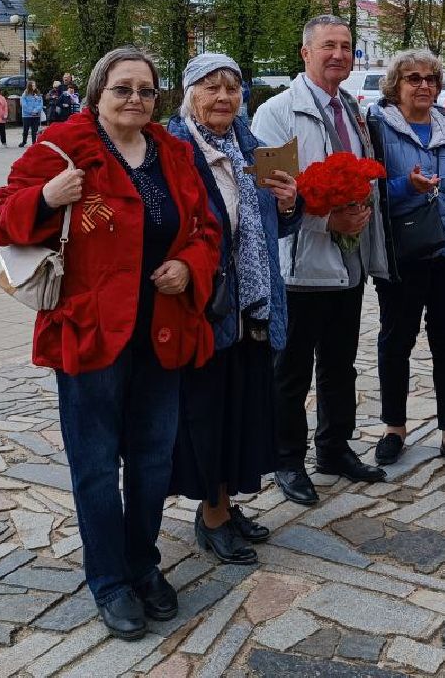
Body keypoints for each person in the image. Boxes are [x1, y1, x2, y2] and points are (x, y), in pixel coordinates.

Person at [0, 47, 220, 640]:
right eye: (122, 89)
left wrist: (189, 267)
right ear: (98, 93)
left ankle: (143, 566)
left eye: (145, 89)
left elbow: (205, 229)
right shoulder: (64, 147)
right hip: (91, 335)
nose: (135, 99)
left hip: (160, 332)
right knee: (94, 466)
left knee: (152, 460)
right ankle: (109, 582)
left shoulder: (175, 153)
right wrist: (45, 199)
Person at [250, 14, 389, 506]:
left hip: (347, 266)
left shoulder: (351, 107)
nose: (339, 54)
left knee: (340, 364)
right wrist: (323, 221)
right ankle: (287, 460)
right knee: (291, 371)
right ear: (305, 53)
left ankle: (333, 447)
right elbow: (271, 194)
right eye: (328, 45)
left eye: (346, 46)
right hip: (300, 266)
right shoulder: (277, 113)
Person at [168, 53, 300, 563]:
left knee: (244, 408)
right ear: (190, 93)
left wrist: (289, 204)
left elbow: (275, 229)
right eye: (210, 87)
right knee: (207, 412)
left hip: (253, 304)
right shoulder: (175, 147)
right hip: (204, 304)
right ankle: (212, 514)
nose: (223, 97)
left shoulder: (254, 148)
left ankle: (224, 502)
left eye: (232, 87)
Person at [368, 48, 445, 474]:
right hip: (405, 253)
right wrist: (407, 185)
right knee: (396, 339)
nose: (423, 85)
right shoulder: (379, 129)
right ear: (395, 86)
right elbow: (370, 190)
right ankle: (394, 428)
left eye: (431, 79)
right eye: (413, 78)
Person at [19, 81, 44, 147]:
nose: (34, 86)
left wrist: (35, 110)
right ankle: (24, 141)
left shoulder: (38, 94)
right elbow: (24, 105)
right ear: (29, 86)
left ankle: (34, 142)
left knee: (34, 129)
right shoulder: (25, 94)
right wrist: (31, 111)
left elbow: (40, 104)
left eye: (35, 85)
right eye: (33, 85)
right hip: (26, 115)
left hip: (36, 115)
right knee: (26, 129)